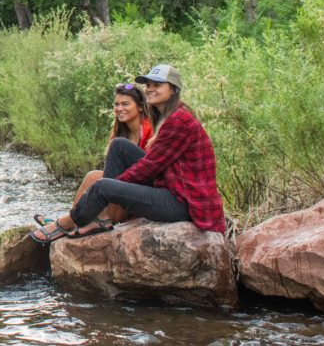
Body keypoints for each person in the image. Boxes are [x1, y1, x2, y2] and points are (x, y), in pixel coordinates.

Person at [30, 64, 226, 242]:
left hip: (184, 204)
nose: (150, 89)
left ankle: (68, 222)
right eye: (148, 84)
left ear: (173, 89)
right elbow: (151, 163)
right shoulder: (168, 115)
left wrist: (112, 187)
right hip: (171, 187)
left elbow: (150, 167)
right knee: (118, 146)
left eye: (157, 85)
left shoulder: (179, 120)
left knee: (102, 186)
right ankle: (103, 217)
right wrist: (113, 187)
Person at [32, 81, 152, 235]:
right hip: (123, 190)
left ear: (140, 106)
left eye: (126, 104)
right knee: (93, 176)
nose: (119, 109)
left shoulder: (151, 131)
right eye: (116, 104)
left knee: (101, 180)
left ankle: (67, 224)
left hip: (140, 194)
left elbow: (149, 171)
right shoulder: (120, 133)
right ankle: (70, 221)